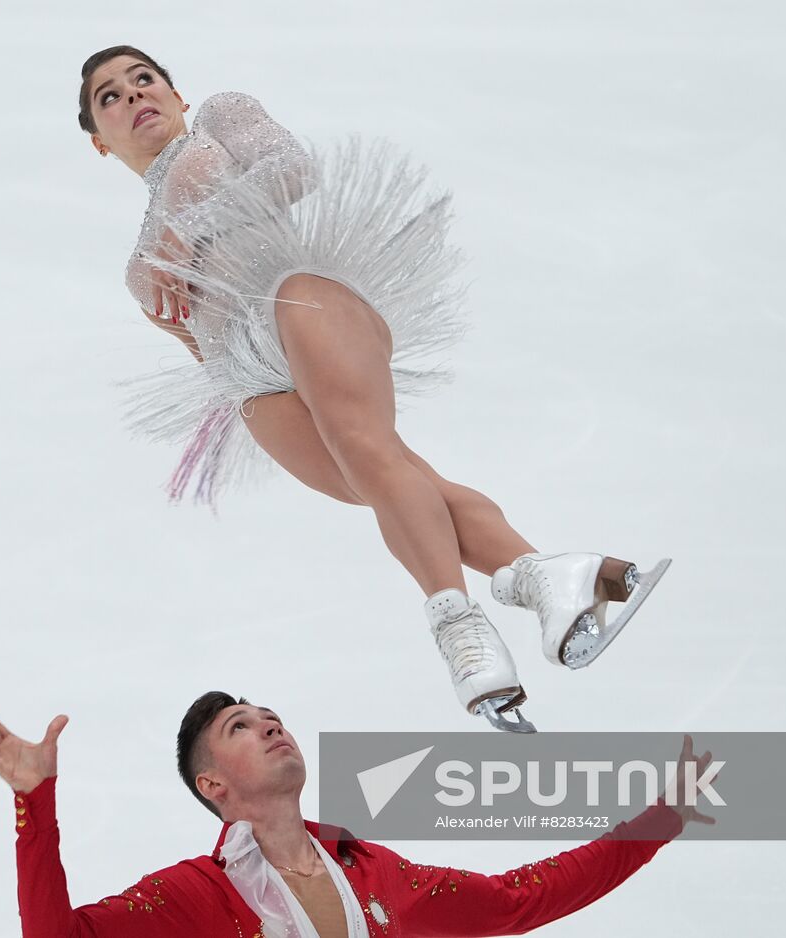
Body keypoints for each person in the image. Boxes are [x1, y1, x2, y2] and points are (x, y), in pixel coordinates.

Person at [77, 46, 671, 730]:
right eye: (110, 96)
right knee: (390, 481)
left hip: (298, 299)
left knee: (374, 458)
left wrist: (191, 228)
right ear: (100, 141)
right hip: (250, 377)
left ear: (177, 95)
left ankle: (460, 628)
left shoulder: (217, 118)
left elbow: (291, 170)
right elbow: (195, 342)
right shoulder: (139, 268)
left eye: (144, 79)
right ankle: (552, 576)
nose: (133, 94)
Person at [0, 697, 717, 938]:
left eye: (270, 717)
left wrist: (660, 819)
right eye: (239, 728)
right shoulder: (194, 896)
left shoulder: (381, 877)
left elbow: (522, 898)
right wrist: (36, 800)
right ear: (212, 784)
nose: (268, 725)